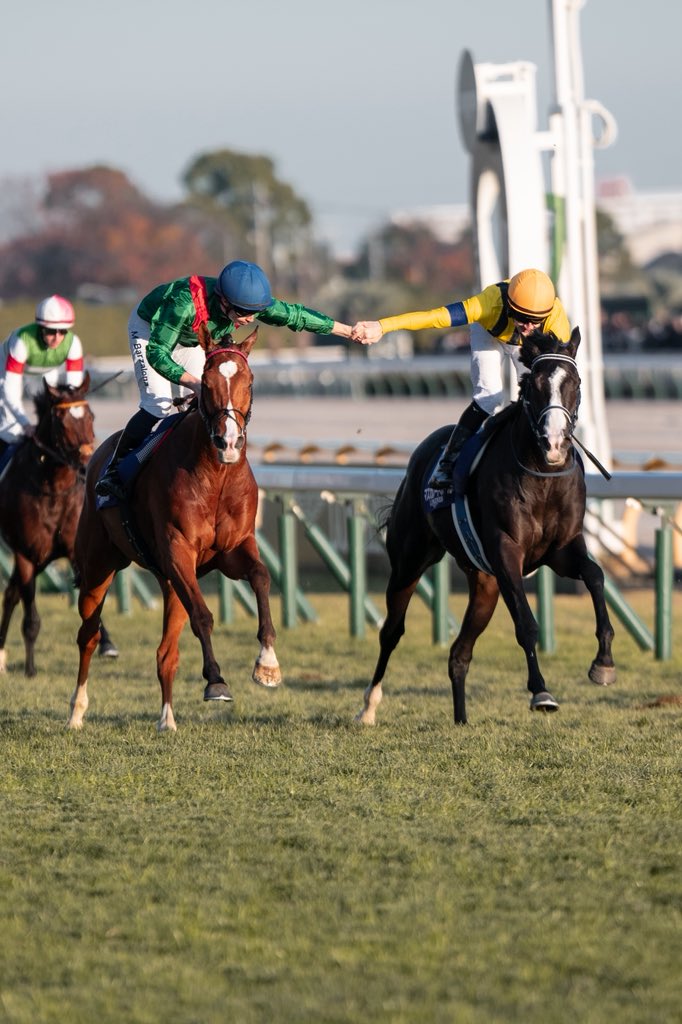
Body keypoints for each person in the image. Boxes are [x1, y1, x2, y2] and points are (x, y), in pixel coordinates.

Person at [95, 260, 354, 500]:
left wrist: (348, 331)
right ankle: (115, 471)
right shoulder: (184, 304)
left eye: (255, 313)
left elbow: (295, 316)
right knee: (159, 404)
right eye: (244, 313)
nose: (250, 319)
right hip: (151, 332)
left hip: (190, 339)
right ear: (224, 302)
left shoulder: (246, 303)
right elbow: (157, 353)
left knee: (200, 407)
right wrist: (193, 383)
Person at [351, 268, 571, 489]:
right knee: (490, 397)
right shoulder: (487, 304)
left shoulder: (557, 322)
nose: (529, 326)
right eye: (523, 319)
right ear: (510, 307)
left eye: (536, 321)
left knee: (537, 395)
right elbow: (433, 317)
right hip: (489, 334)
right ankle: (447, 462)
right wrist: (382, 326)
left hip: (528, 345)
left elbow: (561, 375)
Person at [0, 295, 84, 459]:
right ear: (40, 328)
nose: (57, 338)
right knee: (12, 430)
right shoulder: (21, 341)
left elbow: (73, 390)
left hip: (45, 370)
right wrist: (25, 424)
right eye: (51, 331)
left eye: (63, 331)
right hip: (5, 370)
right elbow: (10, 391)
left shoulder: (73, 343)